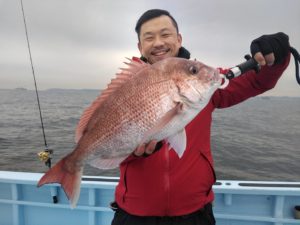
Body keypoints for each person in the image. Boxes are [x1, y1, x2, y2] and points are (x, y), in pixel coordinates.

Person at [110, 9, 290, 225]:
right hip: (134, 213)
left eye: (165, 34)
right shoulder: (124, 91)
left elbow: (256, 81)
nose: (158, 42)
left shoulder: (204, 80)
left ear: (178, 39)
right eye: (149, 37)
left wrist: (277, 57)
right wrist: (134, 154)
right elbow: (110, 144)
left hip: (195, 212)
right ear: (140, 46)